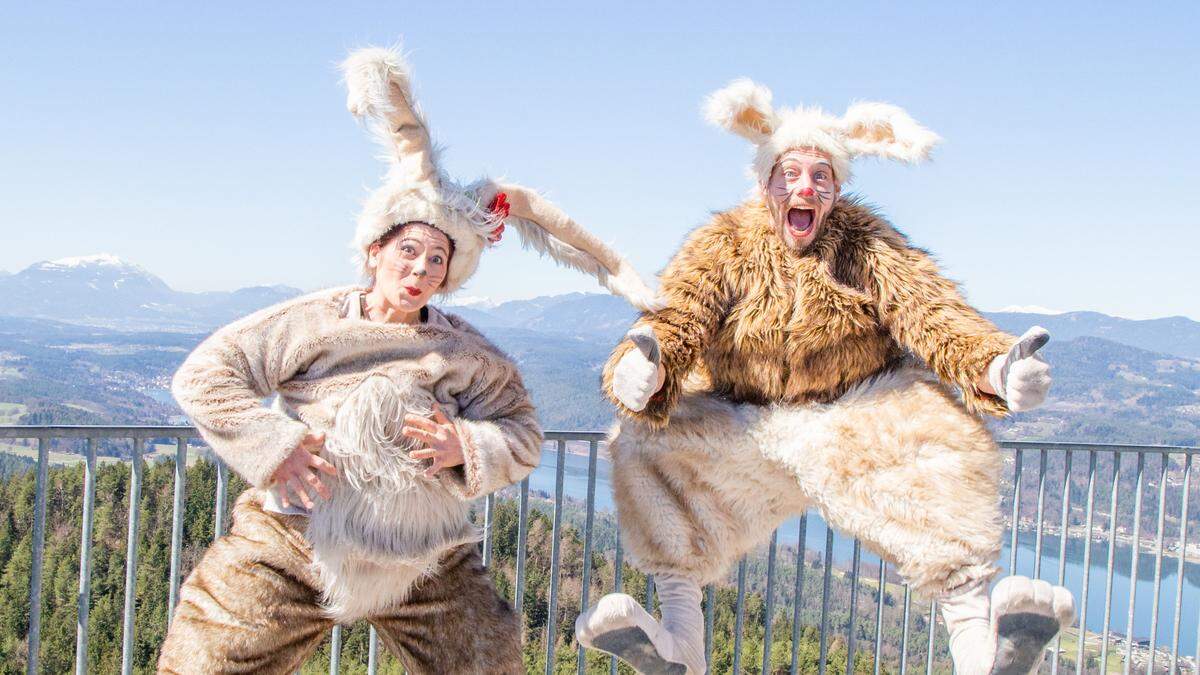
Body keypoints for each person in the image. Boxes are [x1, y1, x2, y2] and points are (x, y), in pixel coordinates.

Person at [158, 45, 659, 675]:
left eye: (437, 260)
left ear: (449, 276)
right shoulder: (312, 322)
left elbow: (524, 434)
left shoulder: (467, 352)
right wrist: (272, 443)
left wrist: (466, 447)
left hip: (424, 555)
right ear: (375, 251)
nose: (420, 269)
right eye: (409, 251)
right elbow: (205, 377)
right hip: (295, 538)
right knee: (205, 656)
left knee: (488, 654)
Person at [575, 80, 1074, 675]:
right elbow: (679, 316)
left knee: (935, 424)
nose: (803, 187)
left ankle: (978, 642)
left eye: (820, 176)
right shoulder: (726, 244)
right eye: (789, 173)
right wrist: (643, 370)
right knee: (643, 439)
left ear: (837, 189)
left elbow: (932, 316)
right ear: (765, 183)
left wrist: (995, 366)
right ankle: (680, 639)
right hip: (744, 430)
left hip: (856, 423)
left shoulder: (867, 246)